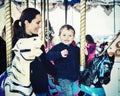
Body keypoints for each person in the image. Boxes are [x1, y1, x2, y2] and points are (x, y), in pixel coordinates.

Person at [4, 8, 56, 96]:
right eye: (37, 22)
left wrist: (57, 72)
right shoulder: (17, 43)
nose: (40, 26)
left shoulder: (36, 40)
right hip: (26, 88)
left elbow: (44, 61)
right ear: (27, 23)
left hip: (41, 85)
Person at [46, 24, 80, 96]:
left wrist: (85, 54)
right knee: (68, 93)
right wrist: (59, 54)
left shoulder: (76, 49)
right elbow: (48, 56)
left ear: (73, 37)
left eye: (70, 35)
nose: (67, 37)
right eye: (64, 35)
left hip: (76, 77)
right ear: (60, 36)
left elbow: (82, 60)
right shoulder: (57, 47)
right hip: (64, 78)